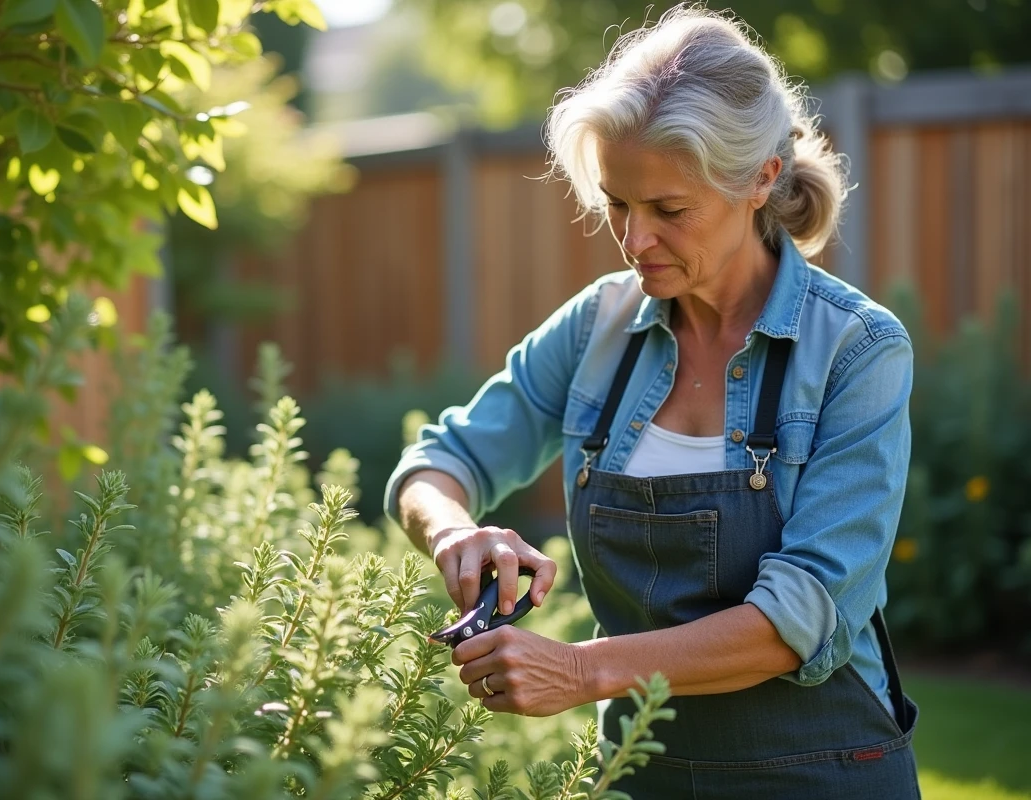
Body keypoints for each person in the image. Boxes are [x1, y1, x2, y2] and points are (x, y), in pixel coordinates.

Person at [383, 6, 921, 799]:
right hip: (638, 772)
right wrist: (456, 533)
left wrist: (580, 669)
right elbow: (438, 461)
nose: (634, 242)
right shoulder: (597, 328)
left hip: (826, 770)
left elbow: (800, 614)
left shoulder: (856, 350)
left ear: (761, 179)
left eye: (670, 211)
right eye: (617, 205)